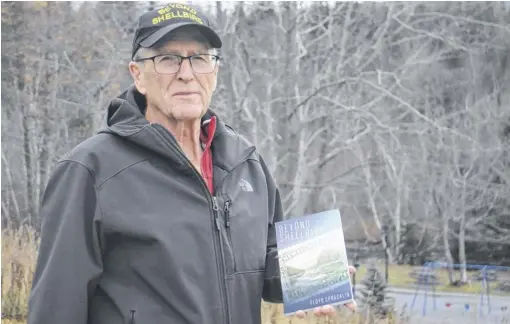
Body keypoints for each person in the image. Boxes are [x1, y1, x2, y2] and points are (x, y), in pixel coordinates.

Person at [27, 3, 355, 324]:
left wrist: (321, 275)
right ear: (138, 74)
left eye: (199, 59)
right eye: (168, 59)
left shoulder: (245, 162)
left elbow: (262, 263)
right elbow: (56, 305)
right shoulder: (91, 170)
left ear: (215, 71)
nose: (186, 74)